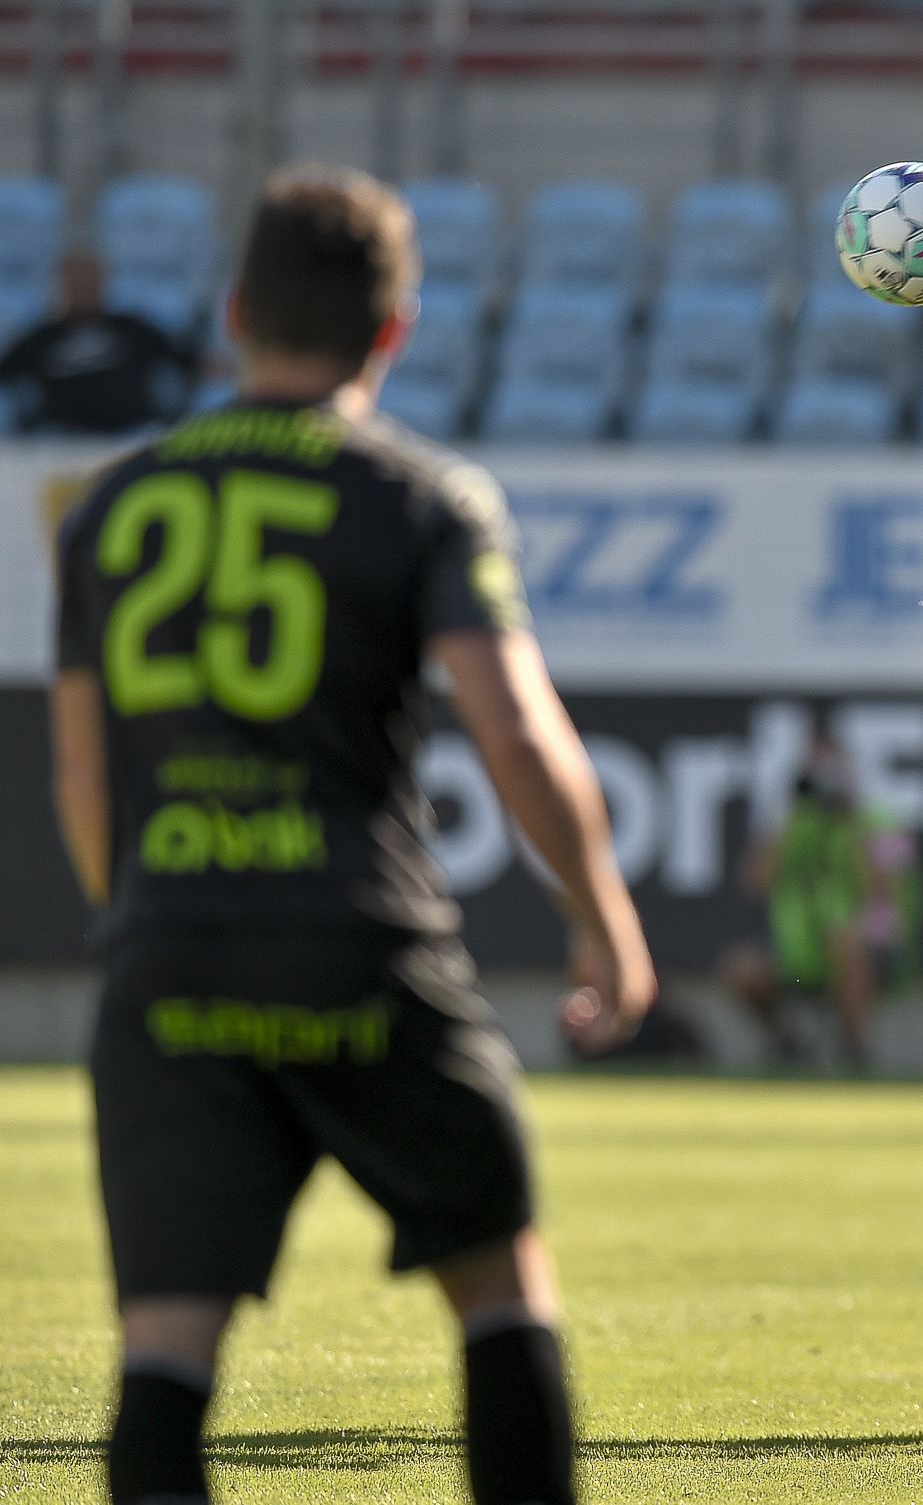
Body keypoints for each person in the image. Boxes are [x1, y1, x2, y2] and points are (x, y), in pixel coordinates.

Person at [47, 164, 654, 1505]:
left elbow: (84, 780)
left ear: (233, 310)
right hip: (356, 946)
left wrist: (149, 917)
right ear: (397, 328)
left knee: (166, 1351)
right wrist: (603, 914)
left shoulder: (110, 505)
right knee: (499, 1286)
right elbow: (518, 735)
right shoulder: (419, 495)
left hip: (167, 964)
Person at [721, 736, 922, 1069]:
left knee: (848, 945)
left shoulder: (882, 821)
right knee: (741, 968)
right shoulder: (793, 824)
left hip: (868, 950)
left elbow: (888, 888)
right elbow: (754, 883)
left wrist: (853, 818)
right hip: (800, 955)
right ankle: (786, 1041)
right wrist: (783, 814)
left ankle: (854, 1050)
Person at [0, 252, 194, 434]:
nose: (83, 288)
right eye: (75, 282)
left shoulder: (133, 328)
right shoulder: (42, 338)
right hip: (61, 441)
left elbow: (186, 360)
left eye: (89, 281)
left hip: (132, 435)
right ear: (62, 285)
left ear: (101, 282)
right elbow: (7, 371)